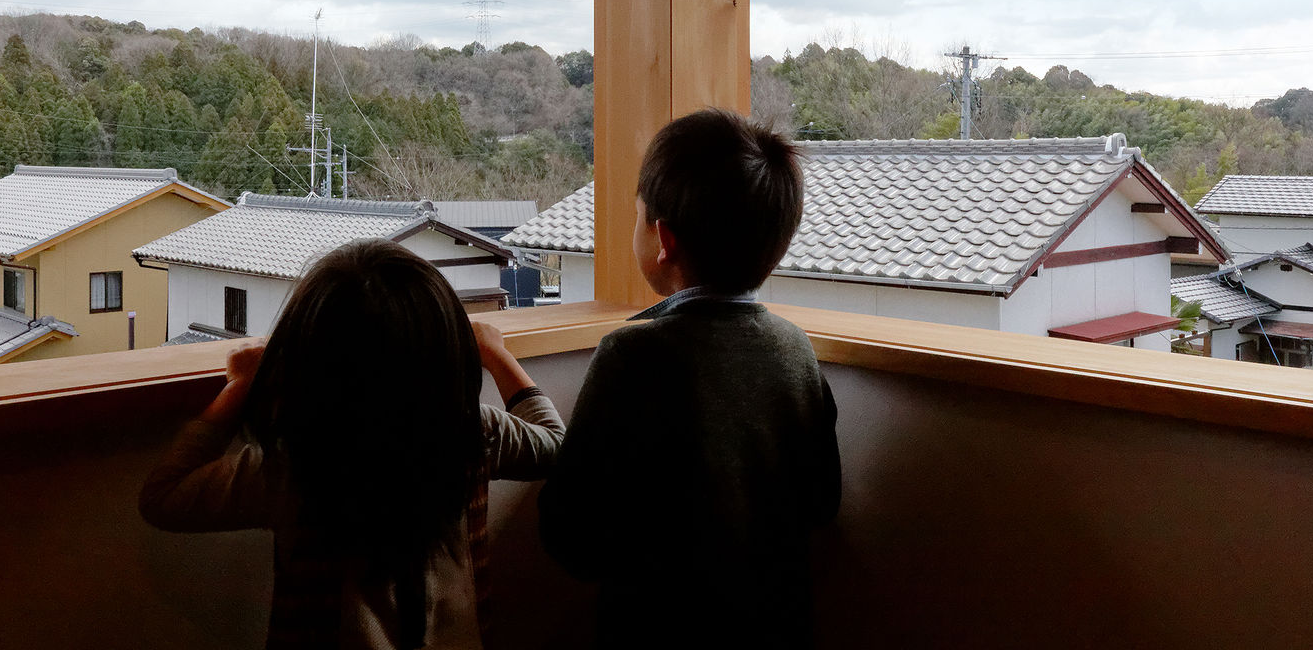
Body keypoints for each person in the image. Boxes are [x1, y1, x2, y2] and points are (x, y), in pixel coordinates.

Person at [138, 239, 563, 650]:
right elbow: (556, 445)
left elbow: (163, 497)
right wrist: (496, 354)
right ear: (449, 354)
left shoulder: (294, 466)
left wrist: (242, 388)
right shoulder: (474, 435)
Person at [537, 108, 841, 650]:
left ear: (663, 239)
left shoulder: (631, 355)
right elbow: (821, 504)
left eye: (637, 215)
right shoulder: (796, 350)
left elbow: (572, 535)